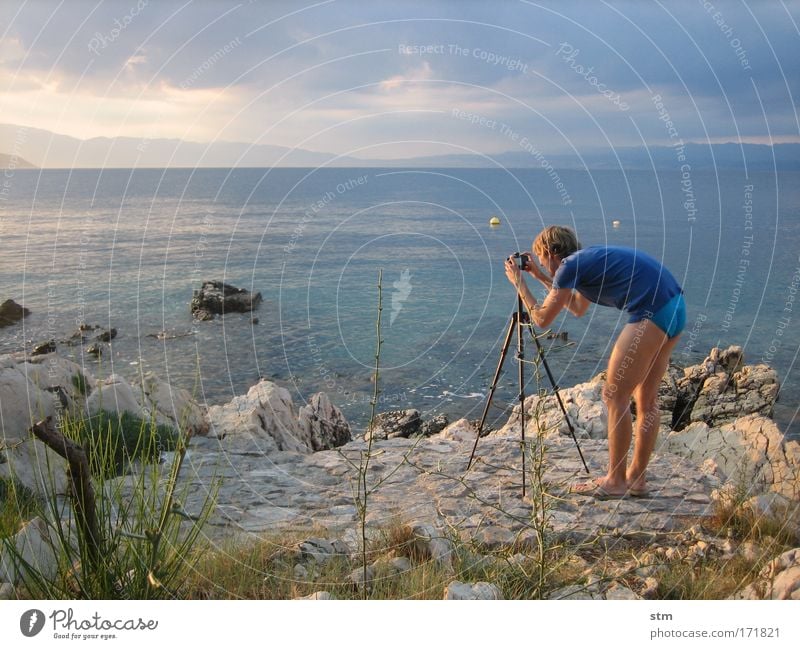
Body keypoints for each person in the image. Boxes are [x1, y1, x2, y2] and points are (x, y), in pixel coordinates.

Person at [504, 225, 686, 499]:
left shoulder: (569, 266)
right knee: (647, 401)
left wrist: (519, 284)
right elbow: (576, 307)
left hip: (652, 312)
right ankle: (636, 479)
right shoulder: (585, 263)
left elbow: (541, 319)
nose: (541, 263)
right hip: (675, 307)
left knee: (614, 395)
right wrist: (540, 276)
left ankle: (615, 481)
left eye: (541, 258)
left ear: (552, 252)